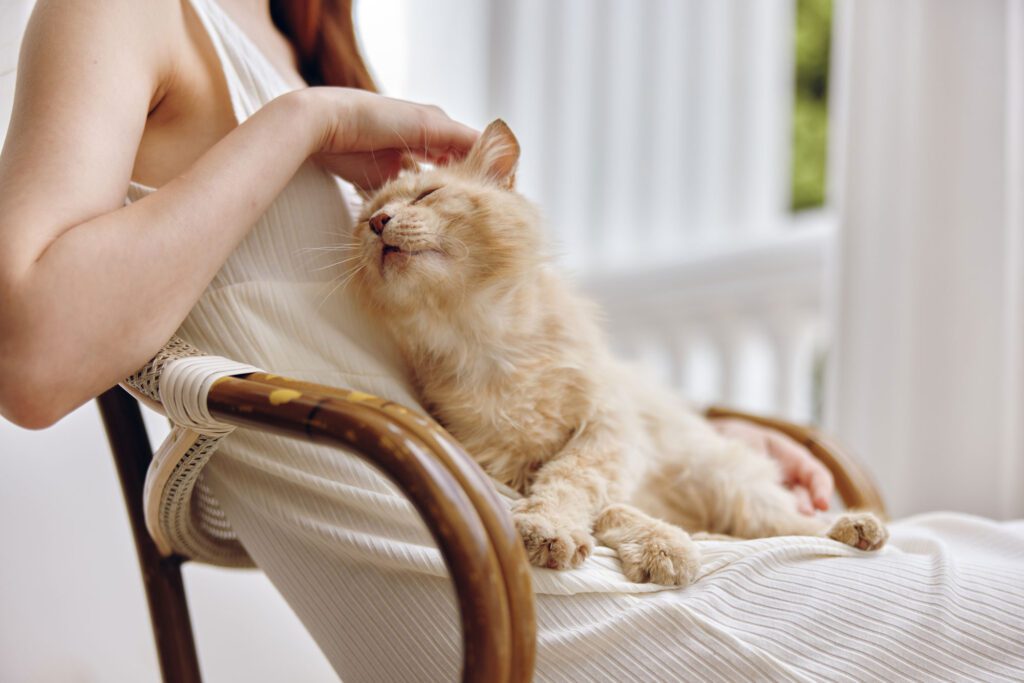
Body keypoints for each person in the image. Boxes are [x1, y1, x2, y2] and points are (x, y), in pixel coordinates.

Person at [1, 1, 1020, 680]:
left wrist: (688, 440)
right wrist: (305, 123)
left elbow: (459, 373)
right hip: (504, 598)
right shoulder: (124, 13)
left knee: (978, 561)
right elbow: (32, 355)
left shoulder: (300, 32)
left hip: (549, 532)